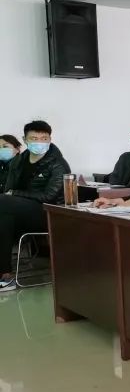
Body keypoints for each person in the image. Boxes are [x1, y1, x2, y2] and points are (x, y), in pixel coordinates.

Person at [0, 120, 71, 288]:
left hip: (47, 213)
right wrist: (13, 194)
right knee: (3, 218)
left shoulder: (58, 164)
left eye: (44, 138)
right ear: (25, 140)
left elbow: (49, 196)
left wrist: (16, 194)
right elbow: (9, 188)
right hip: (19, 211)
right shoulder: (18, 161)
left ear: (50, 139)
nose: (39, 142)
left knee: (2, 203)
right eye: (34, 138)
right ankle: (5, 275)